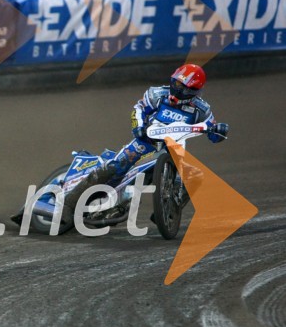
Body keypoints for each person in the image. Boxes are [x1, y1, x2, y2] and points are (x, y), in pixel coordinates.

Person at [62, 64, 229, 219]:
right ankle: (68, 203)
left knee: (195, 176)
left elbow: (213, 133)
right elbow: (138, 109)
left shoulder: (202, 109)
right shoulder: (157, 94)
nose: (177, 89)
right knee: (115, 166)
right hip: (146, 142)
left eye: (182, 87)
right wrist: (139, 127)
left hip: (175, 149)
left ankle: (167, 213)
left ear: (193, 91)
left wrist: (219, 131)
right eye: (176, 83)